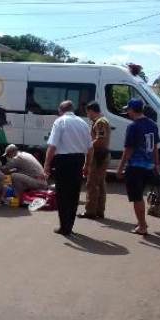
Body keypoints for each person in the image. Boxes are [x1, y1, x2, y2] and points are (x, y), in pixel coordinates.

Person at [43, 100, 92, 236]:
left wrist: (46, 165)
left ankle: (64, 227)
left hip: (64, 161)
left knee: (62, 195)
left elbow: (52, 146)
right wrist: (87, 165)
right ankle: (69, 225)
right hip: (78, 160)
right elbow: (90, 148)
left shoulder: (60, 121)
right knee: (74, 194)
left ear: (60, 110)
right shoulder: (83, 123)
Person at [116, 98, 160, 236]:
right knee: (142, 195)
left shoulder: (133, 126)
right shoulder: (152, 124)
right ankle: (142, 223)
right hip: (149, 165)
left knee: (137, 197)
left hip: (135, 166)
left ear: (131, 110)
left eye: (128, 110)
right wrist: (156, 164)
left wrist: (120, 167)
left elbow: (128, 150)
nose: (127, 113)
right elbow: (155, 147)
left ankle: (142, 226)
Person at [80, 101, 111, 220]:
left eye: (88, 113)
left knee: (92, 184)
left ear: (91, 111)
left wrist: (87, 146)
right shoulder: (102, 121)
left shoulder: (100, 122)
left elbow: (100, 140)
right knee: (100, 184)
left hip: (99, 155)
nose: (87, 115)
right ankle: (99, 210)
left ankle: (90, 211)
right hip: (102, 155)